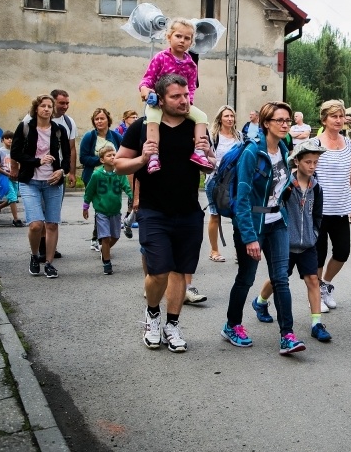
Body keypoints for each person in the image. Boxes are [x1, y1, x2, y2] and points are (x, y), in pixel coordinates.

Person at [115, 73, 214, 353]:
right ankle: (152, 315)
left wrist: (208, 155)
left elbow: (210, 165)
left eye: (186, 95)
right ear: (160, 98)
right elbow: (119, 165)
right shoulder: (142, 126)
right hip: (153, 210)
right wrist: (143, 158)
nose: (184, 101)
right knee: (158, 272)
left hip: (189, 211)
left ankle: (172, 324)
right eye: (176, 96)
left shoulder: (195, 125)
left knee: (181, 272)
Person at [222, 101, 307, 355]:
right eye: (279, 120)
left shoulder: (282, 148)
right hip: (253, 224)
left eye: (288, 120)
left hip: (277, 222)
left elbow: (278, 183)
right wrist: (249, 237)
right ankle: (232, 325)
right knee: (246, 278)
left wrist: (290, 187)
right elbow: (243, 199)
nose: (285, 124)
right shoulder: (252, 153)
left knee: (281, 279)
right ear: (266, 123)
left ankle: (287, 336)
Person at [252, 139, 332, 342]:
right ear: (297, 161)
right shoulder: (286, 186)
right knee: (278, 279)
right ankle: (260, 302)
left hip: (307, 245)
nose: (312, 166)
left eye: (315, 162)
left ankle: (316, 324)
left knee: (313, 280)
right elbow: (273, 208)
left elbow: (318, 216)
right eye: (308, 162)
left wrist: (314, 235)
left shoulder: (317, 188)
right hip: (285, 243)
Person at [314, 99, 351, 311]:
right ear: (324, 119)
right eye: (333, 116)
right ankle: (315, 294)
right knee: (318, 255)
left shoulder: (348, 144)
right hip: (318, 210)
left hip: (340, 209)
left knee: (342, 252)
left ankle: (325, 285)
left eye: (341, 116)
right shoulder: (315, 144)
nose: (338, 120)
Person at [139, 18, 212, 174]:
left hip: (182, 104)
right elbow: (148, 78)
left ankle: (199, 151)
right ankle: (153, 155)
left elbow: (191, 87)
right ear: (169, 37)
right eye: (178, 36)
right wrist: (145, 90)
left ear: (191, 42)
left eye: (187, 38)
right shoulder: (161, 58)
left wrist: (189, 102)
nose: (182, 41)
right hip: (158, 102)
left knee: (202, 116)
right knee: (152, 117)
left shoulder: (191, 65)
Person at [11, 94, 71, 279]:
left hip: (53, 182)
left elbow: (67, 157)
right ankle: (35, 255)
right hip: (30, 182)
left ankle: (49, 263)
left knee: (52, 224)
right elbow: (15, 153)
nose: (46, 109)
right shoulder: (25, 127)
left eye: (49, 106)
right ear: (36, 109)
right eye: (43, 106)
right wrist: (37, 161)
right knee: (36, 225)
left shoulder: (59, 130)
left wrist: (62, 171)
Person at [19, 89, 77, 260]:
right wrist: (22, 166)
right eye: (61, 103)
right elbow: (18, 150)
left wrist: (68, 171)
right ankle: (39, 249)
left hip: (55, 177)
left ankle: (48, 253)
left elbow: (70, 150)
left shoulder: (66, 124)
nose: (65, 106)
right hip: (32, 178)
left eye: (67, 103)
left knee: (52, 218)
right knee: (37, 219)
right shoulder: (28, 122)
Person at [82, 145, 133, 275]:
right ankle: (107, 263)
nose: (112, 157)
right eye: (109, 155)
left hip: (115, 211)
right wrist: (85, 206)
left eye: (114, 155)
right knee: (105, 237)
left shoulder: (120, 173)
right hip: (101, 212)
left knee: (115, 236)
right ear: (102, 160)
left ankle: (104, 250)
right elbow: (89, 191)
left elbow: (127, 187)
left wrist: (133, 197)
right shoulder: (96, 175)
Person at [79, 108, 123, 251]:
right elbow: (83, 158)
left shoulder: (116, 137)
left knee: (108, 207)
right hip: (94, 178)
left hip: (112, 178)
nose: (99, 121)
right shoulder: (89, 137)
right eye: (96, 119)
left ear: (108, 120)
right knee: (100, 208)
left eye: (102, 118)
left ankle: (99, 238)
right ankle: (100, 239)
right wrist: (101, 160)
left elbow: (123, 154)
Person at [204, 105, 242, 263]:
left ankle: (239, 251)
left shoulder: (239, 136)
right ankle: (214, 250)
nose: (230, 119)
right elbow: (206, 157)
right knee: (215, 214)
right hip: (215, 180)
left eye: (232, 116)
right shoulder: (213, 136)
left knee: (237, 215)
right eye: (226, 116)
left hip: (234, 180)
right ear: (220, 118)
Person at [0, 132, 23, 227]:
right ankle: (16, 219)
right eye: (7, 138)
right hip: (5, 177)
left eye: (12, 138)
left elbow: (19, 163)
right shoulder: (0, 151)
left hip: (15, 176)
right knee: (12, 197)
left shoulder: (16, 150)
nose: (10, 140)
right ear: (2, 140)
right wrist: (5, 173)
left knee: (13, 198)